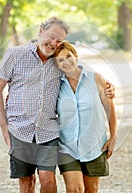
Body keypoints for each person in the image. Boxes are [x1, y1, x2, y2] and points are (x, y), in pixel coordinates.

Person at [0, 17, 115, 193]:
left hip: (47, 130)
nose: (53, 43)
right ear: (41, 30)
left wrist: (107, 86)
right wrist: (4, 127)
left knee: (48, 180)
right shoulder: (14, 55)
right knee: (27, 183)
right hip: (19, 129)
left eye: (59, 40)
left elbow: (78, 72)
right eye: (51, 36)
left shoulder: (57, 60)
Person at [54, 41, 117, 193]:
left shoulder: (95, 79)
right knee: (75, 189)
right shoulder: (56, 85)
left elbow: (109, 108)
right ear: (57, 65)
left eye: (68, 56)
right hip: (67, 146)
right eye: (60, 60)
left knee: (92, 189)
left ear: (76, 56)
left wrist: (113, 136)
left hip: (94, 145)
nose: (66, 62)